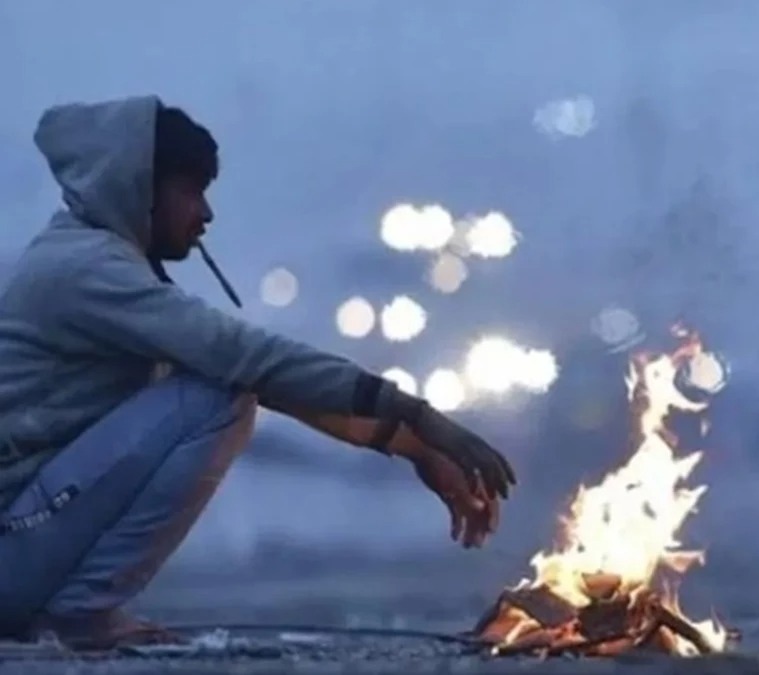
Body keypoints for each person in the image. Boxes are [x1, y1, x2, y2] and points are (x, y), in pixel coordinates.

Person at [0, 96, 516, 650]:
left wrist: (414, 446)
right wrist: (418, 413)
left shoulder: (96, 260)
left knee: (226, 387)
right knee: (216, 399)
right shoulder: (88, 270)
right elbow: (251, 361)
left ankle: (74, 609)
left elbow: (277, 384)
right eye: (191, 191)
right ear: (139, 188)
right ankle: (79, 612)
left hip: (23, 546)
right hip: (13, 551)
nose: (205, 213)